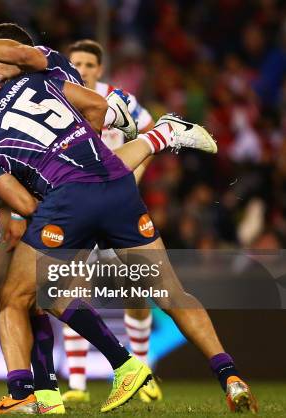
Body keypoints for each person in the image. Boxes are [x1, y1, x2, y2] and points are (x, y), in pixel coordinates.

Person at [0, 73, 256, 414]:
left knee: (14, 297)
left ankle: (23, 393)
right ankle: (230, 377)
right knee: (169, 292)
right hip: (117, 183)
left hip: (70, 201)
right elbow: (95, 106)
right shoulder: (29, 84)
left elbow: (25, 205)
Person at [0, 22, 141, 413]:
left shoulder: (35, 76)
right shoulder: (44, 77)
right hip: (88, 187)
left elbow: (25, 195)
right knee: (40, 297)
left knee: (19, 297)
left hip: (63, 200)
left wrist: (38, 213)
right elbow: (97, 112)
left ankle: (36, 392)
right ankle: (49, 393)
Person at [60, 39, 161, 404]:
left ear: (99, 69)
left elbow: (150, 130)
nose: (83, 70)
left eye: (89, 64)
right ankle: (77, 384)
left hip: (119, 205)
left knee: (135, 290)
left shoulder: (119, 98)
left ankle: (145, 374)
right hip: (78, 206)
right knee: (73, 287)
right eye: (77, 63)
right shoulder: (59, 99)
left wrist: (136, 172)